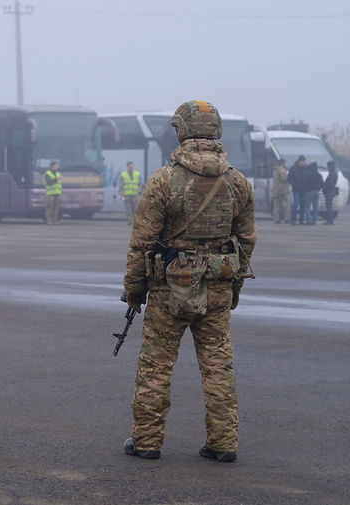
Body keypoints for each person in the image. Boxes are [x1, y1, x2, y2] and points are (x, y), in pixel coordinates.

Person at [122, 100, 256, 463]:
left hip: (170, 290)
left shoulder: (164, 181)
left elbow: (142, 243)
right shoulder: (237, 183)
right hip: (217, 287)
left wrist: (134, 292)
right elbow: (246, 243)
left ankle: (147, 441)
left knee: (156, 366)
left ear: (182, 130)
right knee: (218, 366)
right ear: (216, 132)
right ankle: (223, 442)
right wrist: (234, 290)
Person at [119, 161, 142, 225]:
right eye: (129, 166)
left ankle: (135, 221)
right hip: (127, 195)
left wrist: (139, 191)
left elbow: (140, 184)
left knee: (135, 209)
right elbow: (121, 185)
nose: (131, 167)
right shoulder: (123, 175)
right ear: (127, 166)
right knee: (128, 208)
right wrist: (121, 193)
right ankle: (129, 221)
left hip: (135, 194)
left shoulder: (137, 174)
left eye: (131, 166)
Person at [287, 155, 306, 224]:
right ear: (299, 161)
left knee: (303, 205)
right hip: (296, 189)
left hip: (304, 190)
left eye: (304, 161)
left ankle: (301, 220)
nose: (303, 163)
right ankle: (293, 219)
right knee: (296, 203)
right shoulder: (293, 168)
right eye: (302, 161)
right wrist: (294, 184)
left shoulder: (306, 168)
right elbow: (289, 178)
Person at [271, 158, 290, 224]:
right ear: (283, 163)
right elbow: (284, 178)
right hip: (282, 190)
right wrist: (288, 176)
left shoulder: (275, 169)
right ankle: (287, 218)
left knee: (276, 206)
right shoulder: (281, 169)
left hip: (276, 190)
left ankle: (276, 219)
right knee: (286, 205)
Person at [43, 160, 62, 225]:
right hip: (50, 194)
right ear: (52, 166)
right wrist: (56, 179)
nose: (58, 167)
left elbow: (60, 184)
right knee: (49, 208)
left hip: (57, 194)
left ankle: (55, 221)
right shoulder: (47, 174)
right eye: (56, 166)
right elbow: (49, 183)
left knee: (56, 209)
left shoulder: (58, 173)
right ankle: (49, 221)